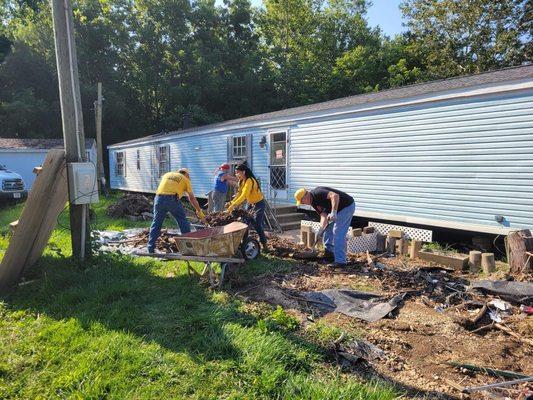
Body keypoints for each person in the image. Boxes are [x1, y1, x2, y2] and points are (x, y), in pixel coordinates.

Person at [147, 168, 205, 253]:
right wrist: (199, 210)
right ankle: (188, 248)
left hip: (158, 198)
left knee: (156, 223)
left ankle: (150, 248)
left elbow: (168, 187)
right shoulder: (185, 179)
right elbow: (191, 198)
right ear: (187, 174)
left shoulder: (167, 174)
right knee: (183, 222)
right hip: (172, 199)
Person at [294, 187, 355, 267]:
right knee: (327, 229)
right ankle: (329, 253)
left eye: (302, 201)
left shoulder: (318, 192)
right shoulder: (313, 203)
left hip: (346, 206)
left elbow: (335, 196)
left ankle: (341, 261)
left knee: (337, 232)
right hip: (337, 210)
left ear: (306, 196)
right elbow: (323, 215)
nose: (302, 203)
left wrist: (333, 211)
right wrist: (320, 230)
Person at [225, 163, 268, 249]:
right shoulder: (241, 181)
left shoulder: (250, 181)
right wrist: (231, 203)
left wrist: (232, 206)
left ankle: (264, 244)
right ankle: (244, 243)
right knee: (245, 223)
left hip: (259, 203)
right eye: (236, 173)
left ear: (244, 172)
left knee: (257, 224)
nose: (236, 175)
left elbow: (244, 196)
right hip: (250, 204)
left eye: (238, 172)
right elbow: (239, 194)